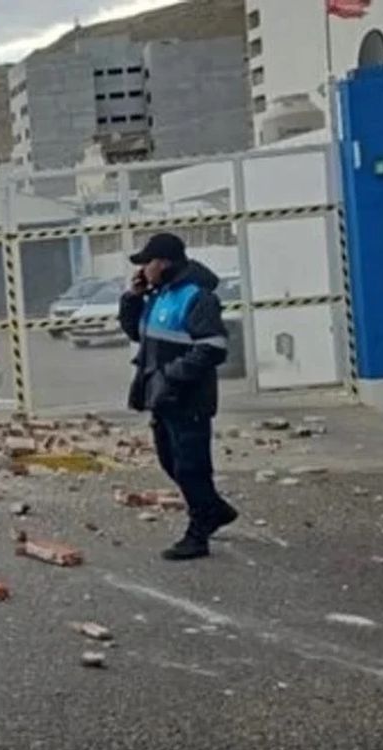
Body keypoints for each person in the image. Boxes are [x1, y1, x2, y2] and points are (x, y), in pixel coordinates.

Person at [119, 232, 240, 561]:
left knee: (191, 467)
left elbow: (214, 347)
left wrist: (173, 374)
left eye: (147, 262)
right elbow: (136, 334)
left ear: (164, 262)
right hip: (163, 397)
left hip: (188, 397)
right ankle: (213, 508)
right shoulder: (160, 295)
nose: (144, 269)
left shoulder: (196, 297)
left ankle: (198, 533)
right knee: (170, 461)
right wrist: (133, 297)